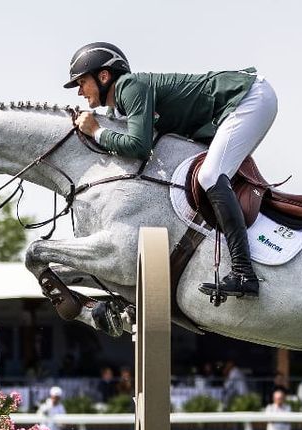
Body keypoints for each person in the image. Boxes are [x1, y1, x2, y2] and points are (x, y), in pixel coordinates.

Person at [65, 42, 277, 299]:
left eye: (81, 82)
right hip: (238, 104)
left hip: (248, 97)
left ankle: (244, 272)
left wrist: (96, 132)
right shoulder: (120, 105)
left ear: (104, 76)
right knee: (207, 175)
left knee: (210, 175)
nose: (79, 92)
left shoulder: (129, 87)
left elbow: (139, 146)